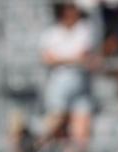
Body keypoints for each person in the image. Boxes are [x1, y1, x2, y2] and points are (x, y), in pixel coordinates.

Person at [39, 2, 93, 143]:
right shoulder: (51, 33)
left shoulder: (84, 30)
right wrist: (73, 59)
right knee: (55, 126)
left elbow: (84, 56)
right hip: (58, 87)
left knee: (81, 134)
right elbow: (47, 59)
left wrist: (60, 59)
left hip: (80, 86)